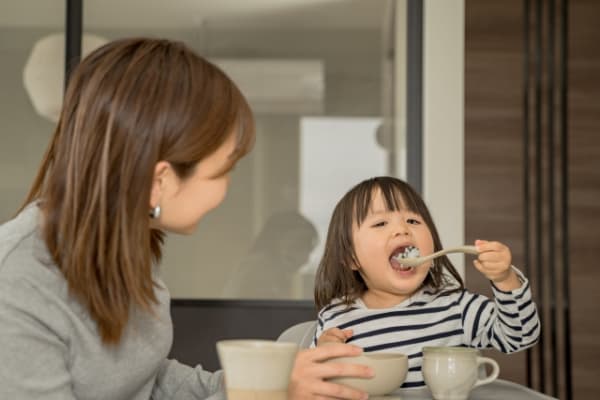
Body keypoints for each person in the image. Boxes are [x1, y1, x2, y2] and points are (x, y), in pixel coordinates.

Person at [0, 38, 373, 400]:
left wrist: (267, 384)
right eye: (221, 172)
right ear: (158, 181)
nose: (225, 190)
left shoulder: (124, 248)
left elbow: (146, 380)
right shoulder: (17, 286)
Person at [313, 176, 540, 389]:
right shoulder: (335, 318)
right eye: (381, 223)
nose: (402, 229)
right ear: (351, 258)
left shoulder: (455, 307)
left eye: (413, 220)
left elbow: (521, 336)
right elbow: (315, 384)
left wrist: (505, 279)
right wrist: (326, 356)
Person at [223, 210, 318, 299]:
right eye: (299, 244)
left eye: (307, 248)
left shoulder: (267, 268)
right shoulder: (260, 267)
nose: (305, 259)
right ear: (277, 237)